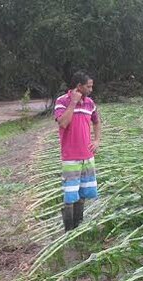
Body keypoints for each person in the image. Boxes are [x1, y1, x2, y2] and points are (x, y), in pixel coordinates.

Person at [54, 71, 101, 231]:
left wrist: (96, 141)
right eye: (88, 86)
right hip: (71, 157)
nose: (91, 89)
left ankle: (78, 227)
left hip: (88, 156)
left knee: (83, 193)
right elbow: (63, 123)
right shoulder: (62, 101)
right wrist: (73, 103)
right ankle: (69, 229)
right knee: (70, 195)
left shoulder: (90, 103)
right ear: (79, 86)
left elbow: (96, 121)